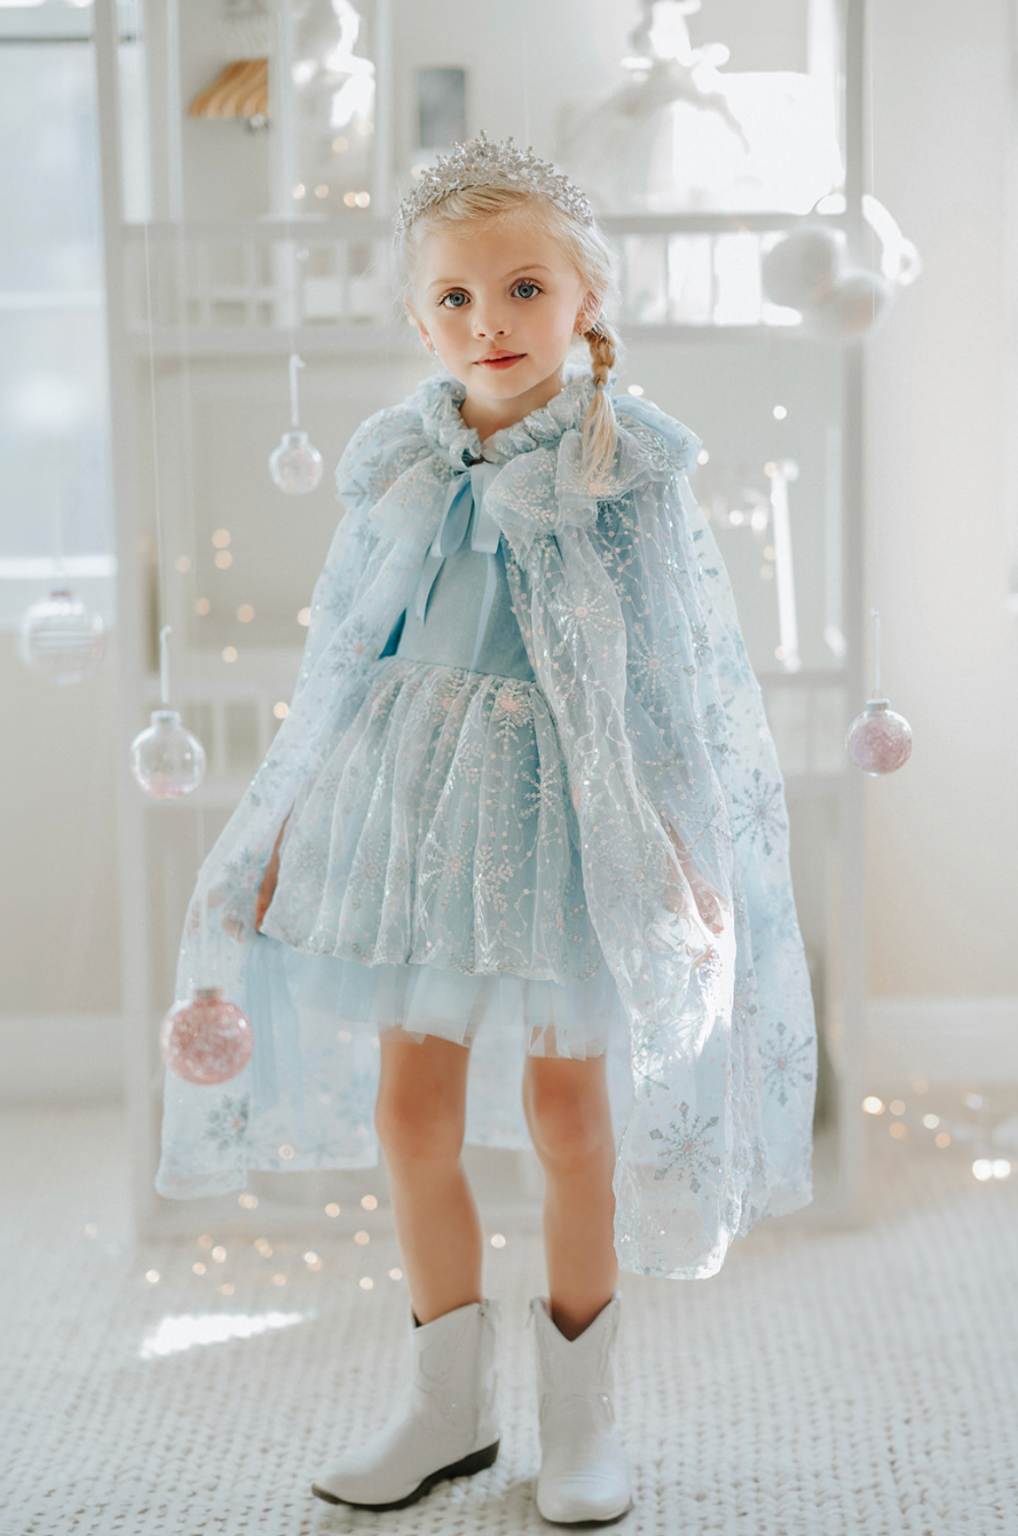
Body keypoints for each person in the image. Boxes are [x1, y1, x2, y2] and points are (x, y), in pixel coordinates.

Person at [156, 133, 817, 1525]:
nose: (488, 324)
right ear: (418, 318)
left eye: (522, 290)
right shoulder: (399, 456)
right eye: (455, 300)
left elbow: (673, 676)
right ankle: (444, 1411)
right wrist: (283, 818)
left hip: (576, 828)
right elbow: (344, 653)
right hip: (415, 819)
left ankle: (581, 1424)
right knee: (413, 1112)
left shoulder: (621, 460)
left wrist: (686, 849)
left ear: (584, 303)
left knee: (571, 1117)